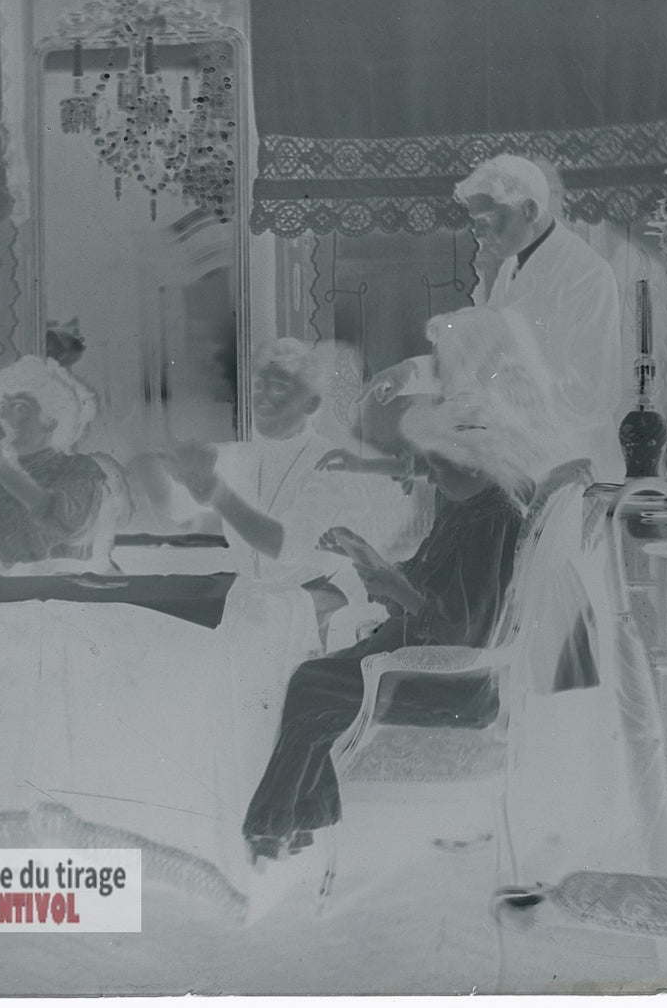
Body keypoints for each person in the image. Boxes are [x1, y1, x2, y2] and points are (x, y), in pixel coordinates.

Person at [241, 308, 576, 898]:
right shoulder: (468, 507)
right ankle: (290, 825)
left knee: (312, 685)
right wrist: (371, 560)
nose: (427, 470)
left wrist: (390, 585)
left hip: (453, 683)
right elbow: (424, 580)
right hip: (422, 660)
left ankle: (276, 827)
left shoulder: (490, 520)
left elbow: (458, 627)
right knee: (315, 690)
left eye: (438, 461)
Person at [162, 338, 430, 648]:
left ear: (311, 404)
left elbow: (288, 546)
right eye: (258, 386)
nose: (262, 398)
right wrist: (180, 474)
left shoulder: (332, 464)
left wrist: (220, 495)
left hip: (320, 616)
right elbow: (178, 514)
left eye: (277, 389)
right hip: (256, 608)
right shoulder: (239, 456)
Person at [370, 155, 625, 479]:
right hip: (530, 464)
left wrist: (491, 417)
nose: (477, 231)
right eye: (475, 220)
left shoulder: (585, 273)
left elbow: (592, 395)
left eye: (488, 218)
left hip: (576, 469)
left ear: (529, 210)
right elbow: (480, 357)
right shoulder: (511, 270)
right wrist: (409, 373)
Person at [0, 356, 110, 570]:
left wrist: (0, 469)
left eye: (20, 408)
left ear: (50, 420)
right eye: (3, 405)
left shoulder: (78, 468)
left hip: (64, 593)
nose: (2, 415)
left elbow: (67, 523)